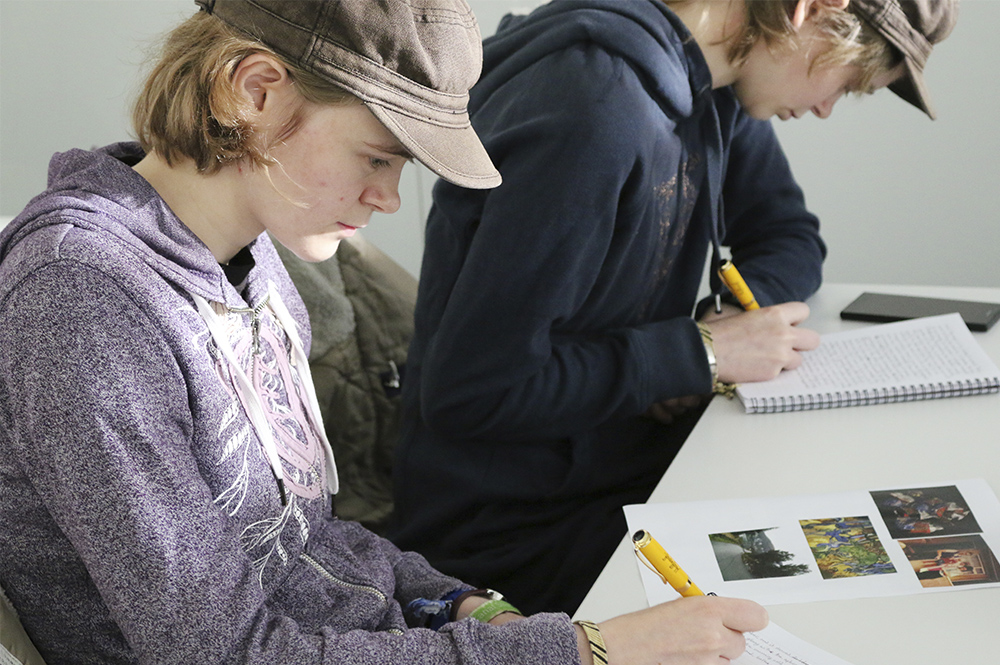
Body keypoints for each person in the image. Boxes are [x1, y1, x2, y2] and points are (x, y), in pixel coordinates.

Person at [0, 0, 770, 663]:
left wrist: (461, 603)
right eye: (377, 156)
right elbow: (227, 652)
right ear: (255, 92)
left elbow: (299, 540)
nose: (390, 198)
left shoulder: (252, 259)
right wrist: (579, 649)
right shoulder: (83, 300)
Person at [389, 0, 958, 616]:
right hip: (511, 526)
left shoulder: (714, 85)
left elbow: (791, 234)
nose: (825, 107)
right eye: (847, 82)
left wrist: (715, 331)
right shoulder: (591, 112)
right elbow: (473, 391)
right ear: (810, 11)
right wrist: (695, 355)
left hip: (621, 468)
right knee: (829, 603)